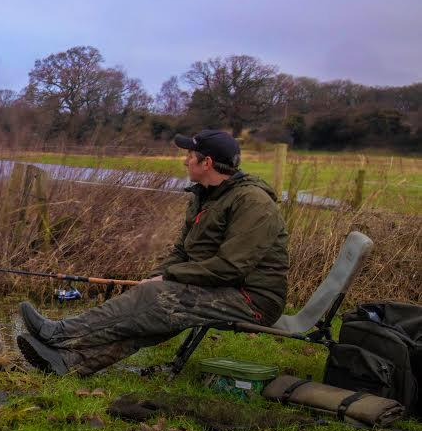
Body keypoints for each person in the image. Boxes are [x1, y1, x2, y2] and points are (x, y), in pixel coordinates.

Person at [16, 129, 289, 376]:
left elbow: (230, 267)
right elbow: (182, 251)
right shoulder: (204, 196)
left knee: (156, 299)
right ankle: (68, 362)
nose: (185, 161)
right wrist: (156, 276)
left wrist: (167, 278)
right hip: (221, 286)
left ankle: (58, 333)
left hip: (252, 300)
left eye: (190, 156)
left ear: (206, 163)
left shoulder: (253, 203)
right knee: (152, 311)